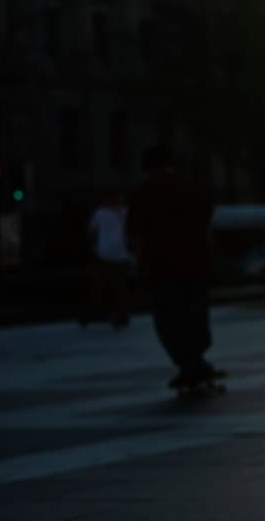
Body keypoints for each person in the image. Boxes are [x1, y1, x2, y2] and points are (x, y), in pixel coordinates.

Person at [125, 146, 223, 389]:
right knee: (195, 312)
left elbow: (134, 233)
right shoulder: (190, 188)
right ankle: (197, 358)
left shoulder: (143, 193)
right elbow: (207, 223)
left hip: (161, 266)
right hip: (195, 263)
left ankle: (187, 363)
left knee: (169, 318)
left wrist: (139, 263)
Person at [83, 189, 134, 328]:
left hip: (109, 255)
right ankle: (109, 315)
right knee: (112, 288)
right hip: (110, 255)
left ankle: (101, 314)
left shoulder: (120, 213)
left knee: (109, 288)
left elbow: (92, 232)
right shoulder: (109, 213)